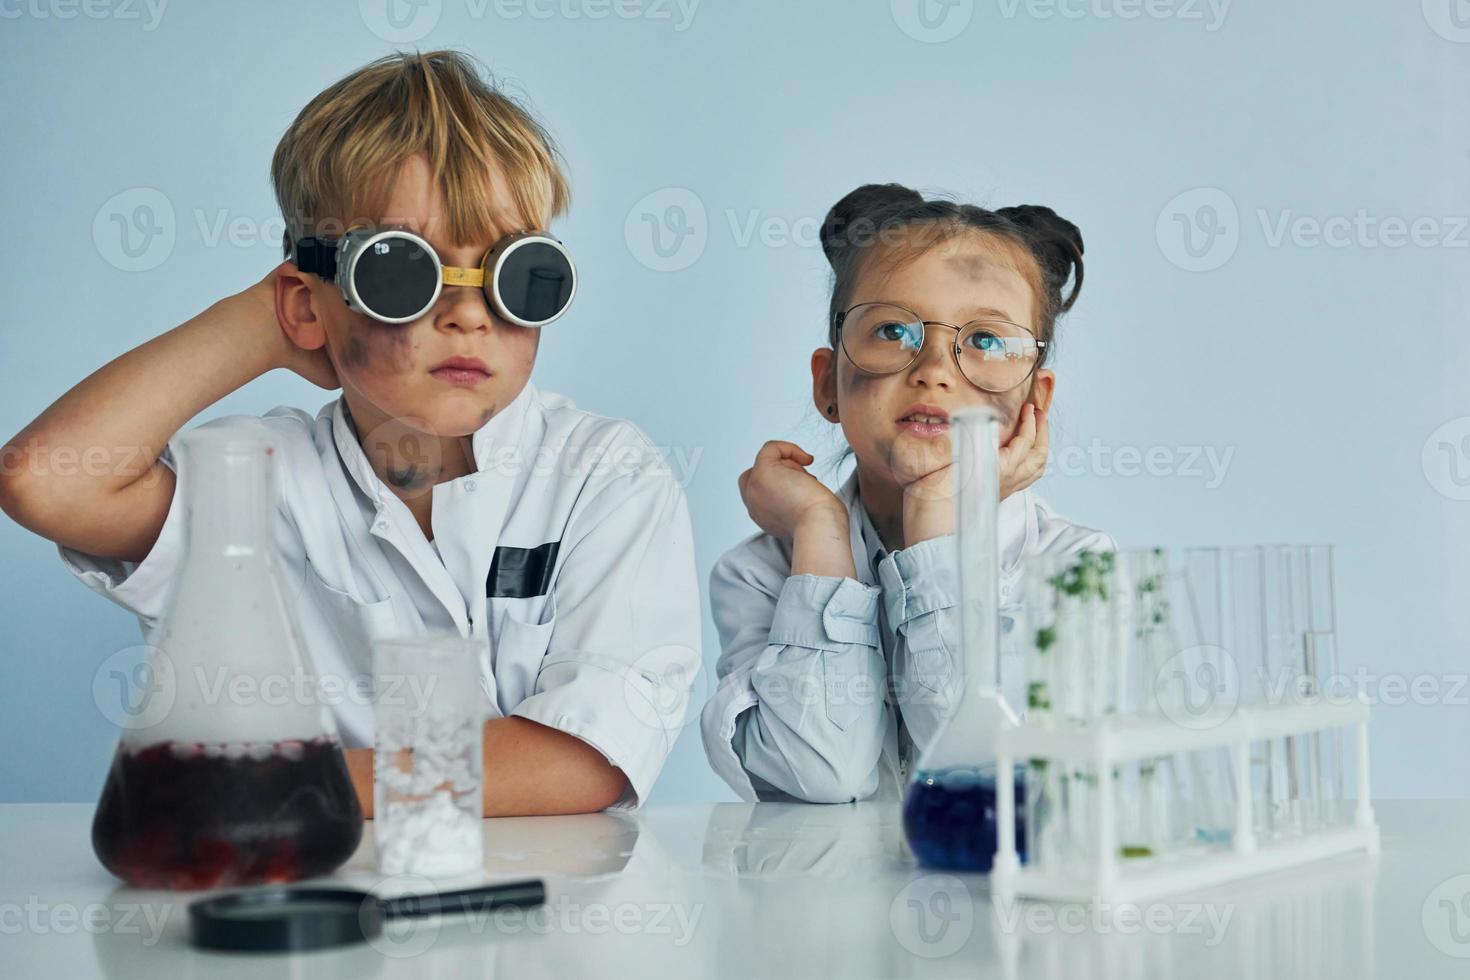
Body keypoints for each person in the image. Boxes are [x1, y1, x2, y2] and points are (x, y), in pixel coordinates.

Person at [0, 50, 700, 816]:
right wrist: (266, 323)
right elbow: (46, 480)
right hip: (322, 903)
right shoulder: (258, 478)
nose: (469, 314)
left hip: (553, 910)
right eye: (402, 273)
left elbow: (584, 763)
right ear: (308, 304)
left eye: (513, 274)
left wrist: (287, 792)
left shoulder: (604, 473)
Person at [702, 183, 1114, 803]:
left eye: (987, 341)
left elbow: (993, 777)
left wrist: (936, 523)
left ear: (1035, 400)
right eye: (893, 330)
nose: (935, 369)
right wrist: (819, 529)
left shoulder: (1073, 568)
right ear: (828, 384)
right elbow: (816, 773)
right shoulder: (763, 572)